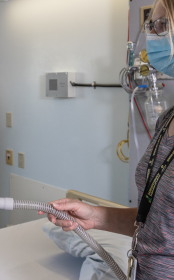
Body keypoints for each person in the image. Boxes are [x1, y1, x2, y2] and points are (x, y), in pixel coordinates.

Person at [39, 1, 174, 278]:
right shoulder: (167, 120)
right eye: (150, 25)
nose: (150, 33)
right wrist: (96, 216)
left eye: (161, 25)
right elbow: (157, 222)